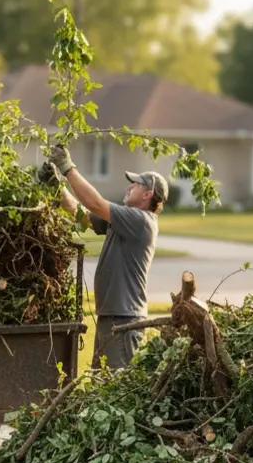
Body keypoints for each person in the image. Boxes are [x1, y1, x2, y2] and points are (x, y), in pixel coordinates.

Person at [47, 144, 168, 369]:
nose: (130, 186)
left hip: (124, 319)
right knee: (102, 388)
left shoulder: (141, 221)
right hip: (112, 316)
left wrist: (68, 168)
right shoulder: (121, 221)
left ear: (148, 194)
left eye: (136, 183)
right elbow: (80, 213)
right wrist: (56, 186)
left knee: (118, 387)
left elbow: (95, 203)